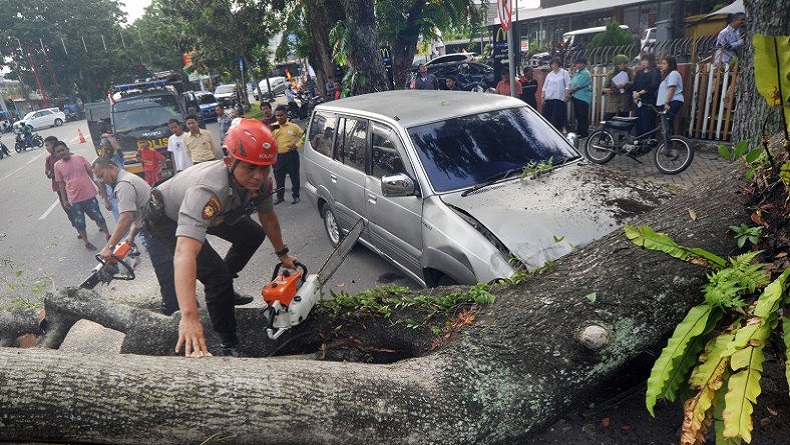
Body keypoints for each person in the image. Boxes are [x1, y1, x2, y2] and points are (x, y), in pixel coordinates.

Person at [142, 118, 297, 357]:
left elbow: (268, 217)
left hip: (219, 211)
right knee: (217, 278)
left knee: (252, 235)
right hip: (167, 217)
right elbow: (184, 252)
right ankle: (229, 344)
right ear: (229, 161)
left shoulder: (262, 182)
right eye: (249, 167)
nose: (258, 176)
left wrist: (283, 254)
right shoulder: (208, 191)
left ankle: (221, 289)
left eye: (264, 168)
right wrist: (189, 316)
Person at [91, 157, 179, 315]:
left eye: (102, 175)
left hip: (157, 229)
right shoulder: (129, 178)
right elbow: (140, 213)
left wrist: (109, 247)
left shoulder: (123, 185)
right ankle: (184, 301)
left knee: (165, 270)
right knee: (172, 267)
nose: (102, 181)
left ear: (111, 167)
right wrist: (131, 236)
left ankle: (172, 309)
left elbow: (126, 218)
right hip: (155, 224)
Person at [53, 141, 112, 251]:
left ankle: (108, 235)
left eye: (63, 150)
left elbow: (91, 172)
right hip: (74, 200)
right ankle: (86, 243)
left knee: (98, 217)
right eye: (58, 151)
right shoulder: (57, 166)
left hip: (89, 195)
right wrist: (64, 200)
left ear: (67, 149)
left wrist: (99, 186)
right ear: (56, 154)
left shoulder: (79, 158)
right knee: (79, 223)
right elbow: (61, 184)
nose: (61, 152)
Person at [44, 136, 80, 238]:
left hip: (71, 185)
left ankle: (97, 221)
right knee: (68, 209)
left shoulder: (63, 155)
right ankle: (78, 227)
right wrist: (49, 173)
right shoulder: (48, 159)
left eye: (47, 145)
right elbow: (47, 172)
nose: (46, 148)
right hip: (59, 188)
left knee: (81, 205)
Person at [271, 105, 304, 205]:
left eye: (281, 115)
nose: (279, 117)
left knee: (294, 177)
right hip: (279, 157)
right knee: (279, 178)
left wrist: (297, 145)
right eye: (277, 115)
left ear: (286, 115)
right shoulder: (273, 127)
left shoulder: (293, 127)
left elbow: (305, 136)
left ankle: (296, 196)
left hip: (291, 156)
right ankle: (280, 197)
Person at [632, 52, 661, 138]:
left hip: (648, 101)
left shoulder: (655, 72)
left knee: (647, 121)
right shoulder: (639, 72)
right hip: (638, 101)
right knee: (638, 121)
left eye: (646, 60)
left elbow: (653, 86)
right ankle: (638, 140)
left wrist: (640, 93)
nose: (643, 62)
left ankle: (648, 140)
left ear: (650, 61)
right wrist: (634, 93)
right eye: (642, 60)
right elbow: (634, 84)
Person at [657, 55, 684, 137]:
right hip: (670, 101)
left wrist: (666, 103)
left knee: (668, 121)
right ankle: (668, 143)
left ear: (670, 64)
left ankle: (670, 143)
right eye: (661, 63)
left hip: (673, 101)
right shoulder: (668, 75)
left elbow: (672, 89)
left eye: (664, 63)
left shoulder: (673, 73)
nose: (661, 65)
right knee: (667, 122)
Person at [541, 57, 570, 132]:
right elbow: (545, 87)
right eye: (552, 64)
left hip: (559, 97)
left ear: (558, 64)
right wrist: (543, 97)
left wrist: (566, 95)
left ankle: (558, 131)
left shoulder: (564, 73)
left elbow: (568, 85)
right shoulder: (549, 75)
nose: (553, 66)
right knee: (546, 114)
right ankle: (545, 130)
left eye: (555, 64)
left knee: (559, 116)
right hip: (549, 97)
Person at [602, 54, 634, 120]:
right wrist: (606, 90)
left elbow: (634, 82)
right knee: (608, 119)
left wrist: (625, 85)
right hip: (613, 101)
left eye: (624, 63)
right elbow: (605, 87)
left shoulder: (630, 72)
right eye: (620, 64)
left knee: (623, 120)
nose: (622, 65)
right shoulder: (611, 74)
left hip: (625, 100)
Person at [566, 57, 592, 138]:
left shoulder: (586, 74)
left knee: (583, 116)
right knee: (577, 116)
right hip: (576, 98)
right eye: (577, 63)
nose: (579, 65)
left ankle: (584, 133)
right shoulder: (577, 73)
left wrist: (568, 93)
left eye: (581, 63)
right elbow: (571, 83)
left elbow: (578, 86)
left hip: (583, 98)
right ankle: (579, 131)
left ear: (585, 64)